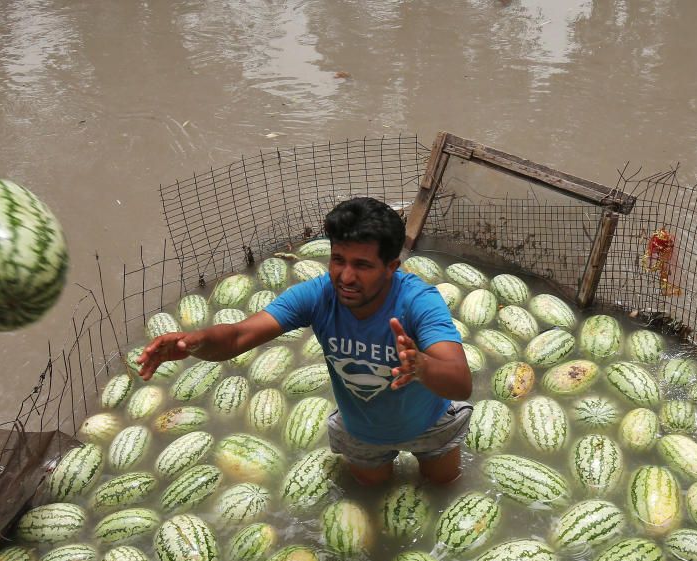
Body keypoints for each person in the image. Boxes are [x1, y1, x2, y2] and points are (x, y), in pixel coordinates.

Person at [137, 197, 473, 485]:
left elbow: (460, 382)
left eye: (362, 265)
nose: (346, 276)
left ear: (391, 267)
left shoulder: (419, 301)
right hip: (362, 432)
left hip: (429, 424)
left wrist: (422, 365)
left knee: (443, 487)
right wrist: (195, 342)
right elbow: (239, 335)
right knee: (369, 495)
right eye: (338, 260)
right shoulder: (316, 296)